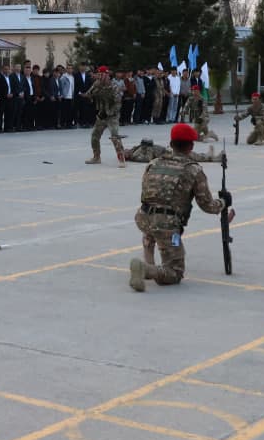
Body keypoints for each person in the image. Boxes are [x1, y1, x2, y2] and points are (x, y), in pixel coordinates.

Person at [128, 123, 233, 291]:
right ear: (191, 146)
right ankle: (147, 269)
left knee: (152, 227)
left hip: (143, 217)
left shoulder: (154, 163)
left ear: (171, 144)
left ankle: (148, 261)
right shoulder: (192, 170)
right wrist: (223, 202)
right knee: (174, 273)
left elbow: (146, 193)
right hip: (166, 225)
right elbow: (208, 206)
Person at [84, 65, 127, 166]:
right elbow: (89, 94)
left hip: (113, 115)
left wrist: (109, 113)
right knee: (95, 135)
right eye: (99, 74)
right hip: (101, 114)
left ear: (107, 75)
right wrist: (93, 90)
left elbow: (118, 103)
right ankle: (96, 157)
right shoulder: (97, 84)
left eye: (102, 74)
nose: (100, 76)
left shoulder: (114, 86)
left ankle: (121, 160)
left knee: (115, 136)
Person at [125, 137, 222, 163]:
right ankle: (213, 158)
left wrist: (129, 153)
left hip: (169, 151)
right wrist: (132, 157)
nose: (126, 151)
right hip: (170, 154)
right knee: (192, 156)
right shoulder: (140, 152)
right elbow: (147, 158)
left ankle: (210, 156)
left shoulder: (137, 149)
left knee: (192, 155)